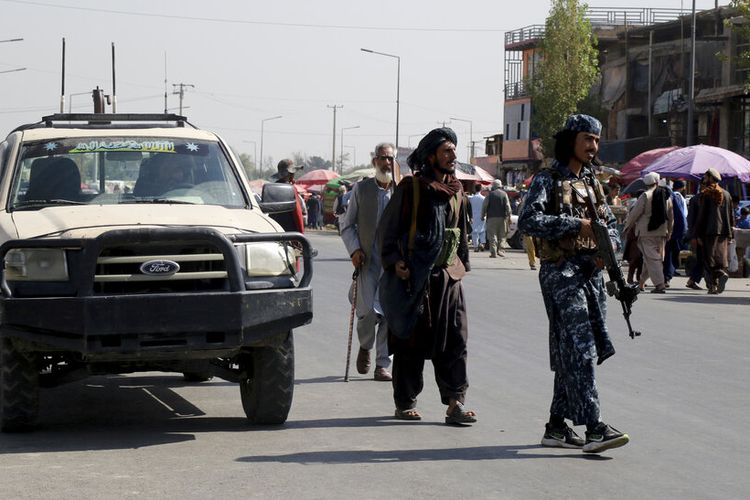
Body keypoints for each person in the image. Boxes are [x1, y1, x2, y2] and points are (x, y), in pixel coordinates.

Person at [518, 114, 629, 453]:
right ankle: (595, 427)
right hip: (561, 272)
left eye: (596, 139)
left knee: (573, 349)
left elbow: (610, 225)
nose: (593, 146)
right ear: (571, 140)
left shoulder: (593, 182)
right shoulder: (548, 180)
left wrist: (606, 252)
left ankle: (556, 427)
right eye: (587, 139)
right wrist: (573, 225)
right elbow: (528, 220)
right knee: (583, 347)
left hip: (591, 273)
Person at [378, 127, 477, 425]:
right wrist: (394, 261)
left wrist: (462, 267)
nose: (453, 156)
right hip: (415, 279)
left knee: (455, 341)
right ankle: (405, 402)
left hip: (448, 281)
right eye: (447, 151)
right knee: (410, 342)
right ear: (432, 155)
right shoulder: (413, 188)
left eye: (454, 151)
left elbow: (462, 236)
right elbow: (388, 230)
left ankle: (455, 403)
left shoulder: (458, 192)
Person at [339, 142, 396, 381]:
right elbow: (346, 224)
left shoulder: (401, 191)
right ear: (374, 161)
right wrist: (354, 250)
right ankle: (365, 346)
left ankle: (383, 364)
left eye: (391, 159)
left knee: (389, 315)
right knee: (367, 314)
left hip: (392, 263)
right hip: (367, 262)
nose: (387, 163)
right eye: (383, 158)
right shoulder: (361, 190)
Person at [622, 172, 673, 293]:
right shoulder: (666, 196)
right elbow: (671, 216)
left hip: (646, 233)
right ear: (657, 181)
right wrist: (669, 231)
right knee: (650, 259)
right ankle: (641, 282)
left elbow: (635, 214)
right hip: (661, 232)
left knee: (652, 259)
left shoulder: (645, 195)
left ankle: (660, 285)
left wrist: (627, 228)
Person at [692, 168, 735, 294]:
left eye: (706, 176)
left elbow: (702, 216)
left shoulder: (707, 193)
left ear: (710, 178)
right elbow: (731, 215)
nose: (704, 179)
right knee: (719, 258)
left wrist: (697, 233)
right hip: (724, 231)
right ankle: (714, 285)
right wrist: (730, 233)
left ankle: (718, 278)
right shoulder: (727, 194)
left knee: (708, 259)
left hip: (708, 232)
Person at [663, 179, 688, 286]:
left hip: (671, 231)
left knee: (669, 254)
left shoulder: (673, 197)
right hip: (675, 231)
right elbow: (681, 216)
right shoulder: (676, 197)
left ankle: (667, 275)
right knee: (670, 254)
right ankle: (667, 276)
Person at [272, 159, 306, 233]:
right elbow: (298, 215)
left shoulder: (271, 188)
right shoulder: (290, 189)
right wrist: (300, 235)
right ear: (290, 174)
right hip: (289, 234)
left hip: (274, 231)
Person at [482, 179, 512, 258]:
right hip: (503, 218)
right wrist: (509, 216)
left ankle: (493, 252)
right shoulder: (504, 194)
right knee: (502, 235)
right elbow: (508, 207)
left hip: (491, 218)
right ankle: (501, 250)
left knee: (492, 235)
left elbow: (484, 206)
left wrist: (482, 216)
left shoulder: (490, 195)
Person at [467, 184, 487, 251]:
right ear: (481, 189)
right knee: (482, 231)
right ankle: (482, 243)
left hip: (474, 216)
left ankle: (475, 247)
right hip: (482, 216)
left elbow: (469, 208)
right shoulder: (483, 198)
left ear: (475, 189)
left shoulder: (472, 198)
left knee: (474, 232)